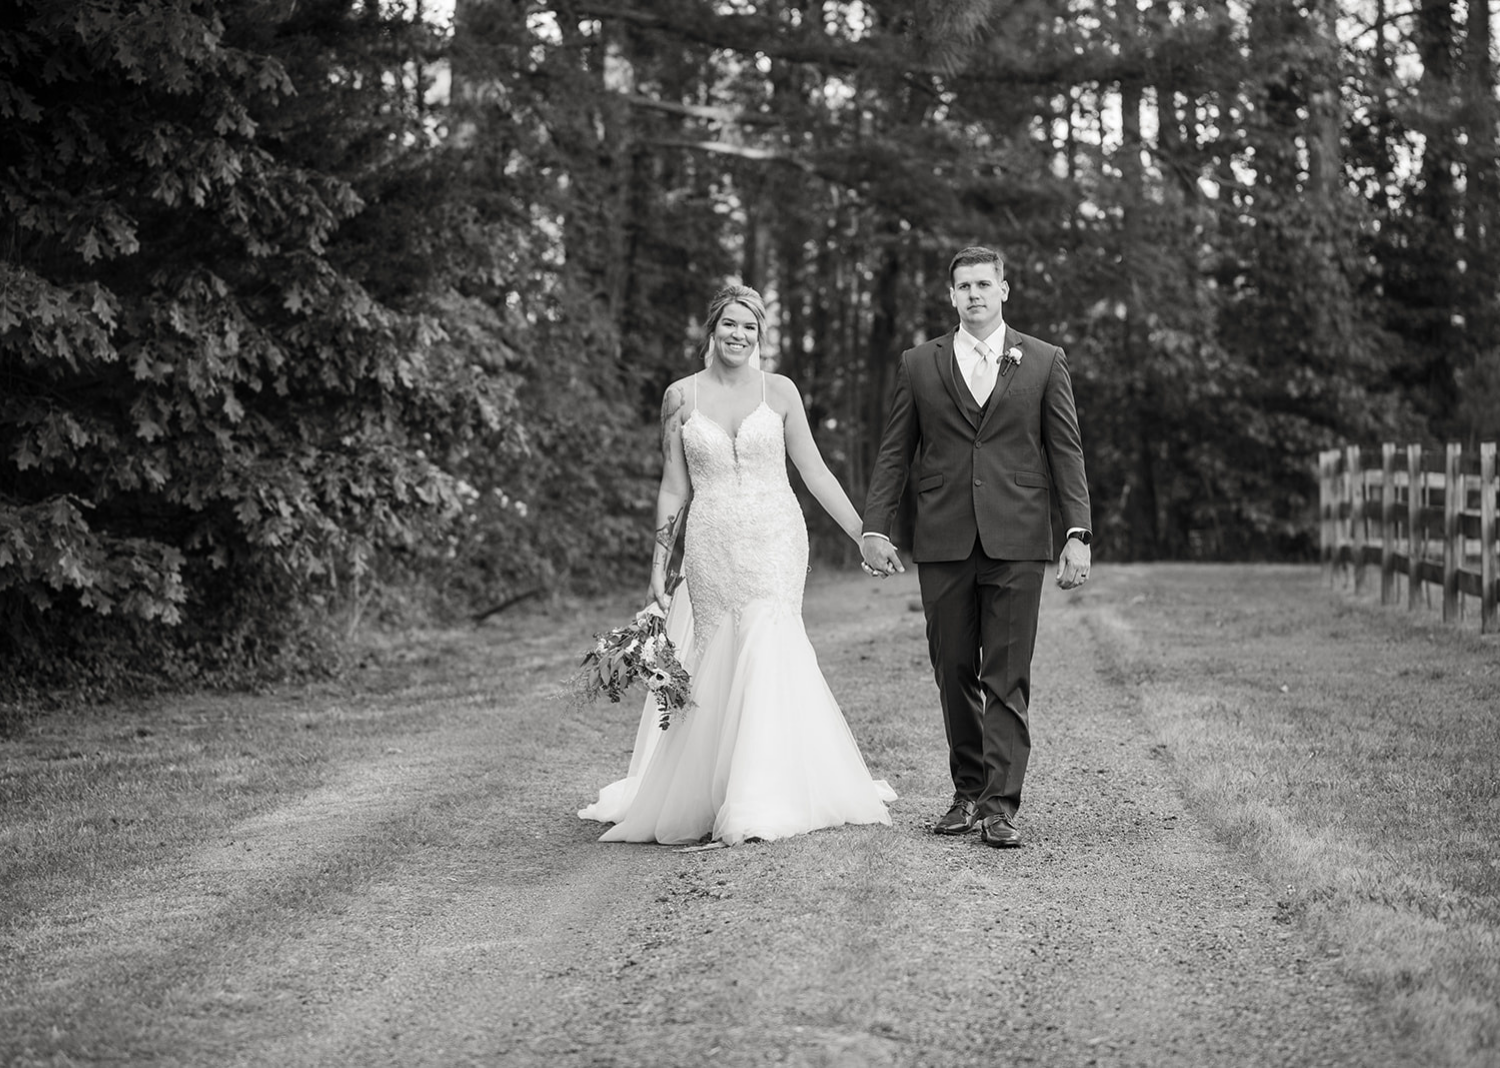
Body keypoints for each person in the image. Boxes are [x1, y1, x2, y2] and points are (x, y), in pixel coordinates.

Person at [580, 284, 895, 846]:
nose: (739, 335)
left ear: (760, 336)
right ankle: (719, 788)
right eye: (730, 324)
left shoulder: (781, 392)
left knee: (770, 640)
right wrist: (659, 565)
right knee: (720, 649)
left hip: (776, 537)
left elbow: (815, 473)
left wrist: (863, 534)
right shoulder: (680, 398)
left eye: (750, 327)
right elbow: (674, 488)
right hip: (711, 542)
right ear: (712, 328)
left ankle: (766, 791)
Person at [860, 245, 1091, 849]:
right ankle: (966, 791)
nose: (974, 294)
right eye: (963, 286)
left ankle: (998, 806)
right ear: (951, 295)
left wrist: (1077, 532)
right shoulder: (919, 363)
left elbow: (1066, 451)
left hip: (1018, 536)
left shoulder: (1044, 360)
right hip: (943, 537)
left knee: (1007, 674)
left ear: (1004, 290)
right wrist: (875, 526)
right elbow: (894, 452)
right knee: (954, 668)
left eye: (984, 284)